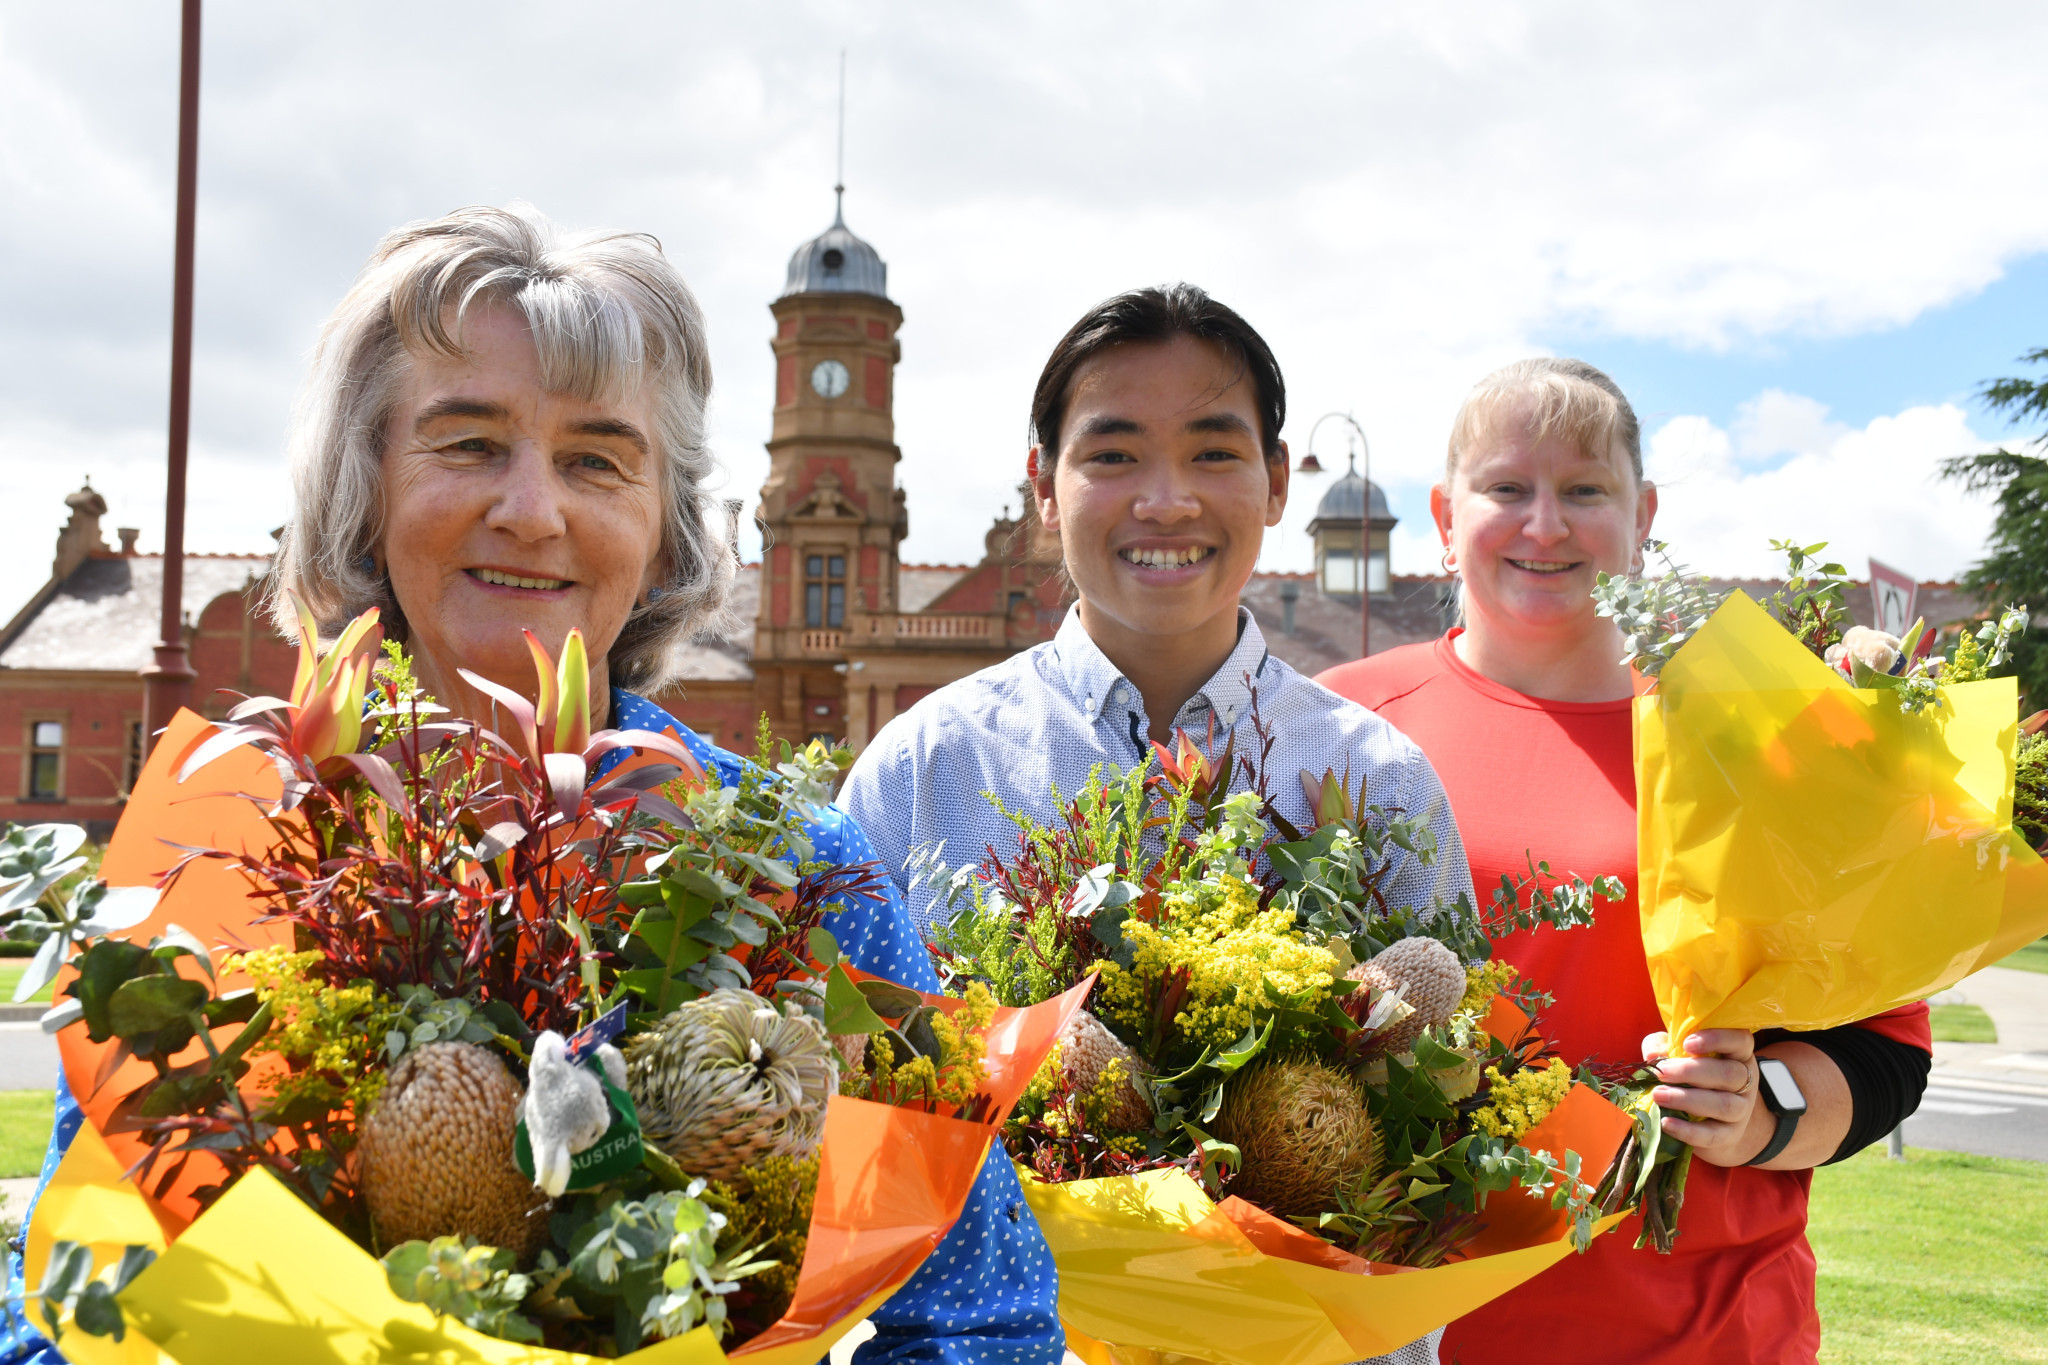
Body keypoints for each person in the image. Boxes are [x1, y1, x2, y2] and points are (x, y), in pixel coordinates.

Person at [2, 206, 1060, 1365]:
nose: (532, 509)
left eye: (596, 460)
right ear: (366, 489)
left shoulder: (799, 864)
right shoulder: (225, 852)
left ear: (666, 532)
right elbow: (65, 1308)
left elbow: (980, 1317)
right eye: (467, 444)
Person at [839, 283, 1475, 1365]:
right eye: (1114, 454)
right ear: (1043, 486)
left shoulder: (1379, 785)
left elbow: (1449, 1157)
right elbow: (846, 1121)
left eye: (1213, 453)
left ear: (1277, 483)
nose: (1166, 500)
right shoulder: (921, 771)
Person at [1316, 358, 1932, 1365]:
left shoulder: (1753, 735)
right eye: (1507, 488)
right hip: (1400, 1335)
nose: (1544, 525)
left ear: (1641, 513)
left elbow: (1883, 1049)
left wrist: (1759, 1113)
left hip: (1703, 1331)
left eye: (1584, 490)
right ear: (1442, 512)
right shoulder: (1336, 727)